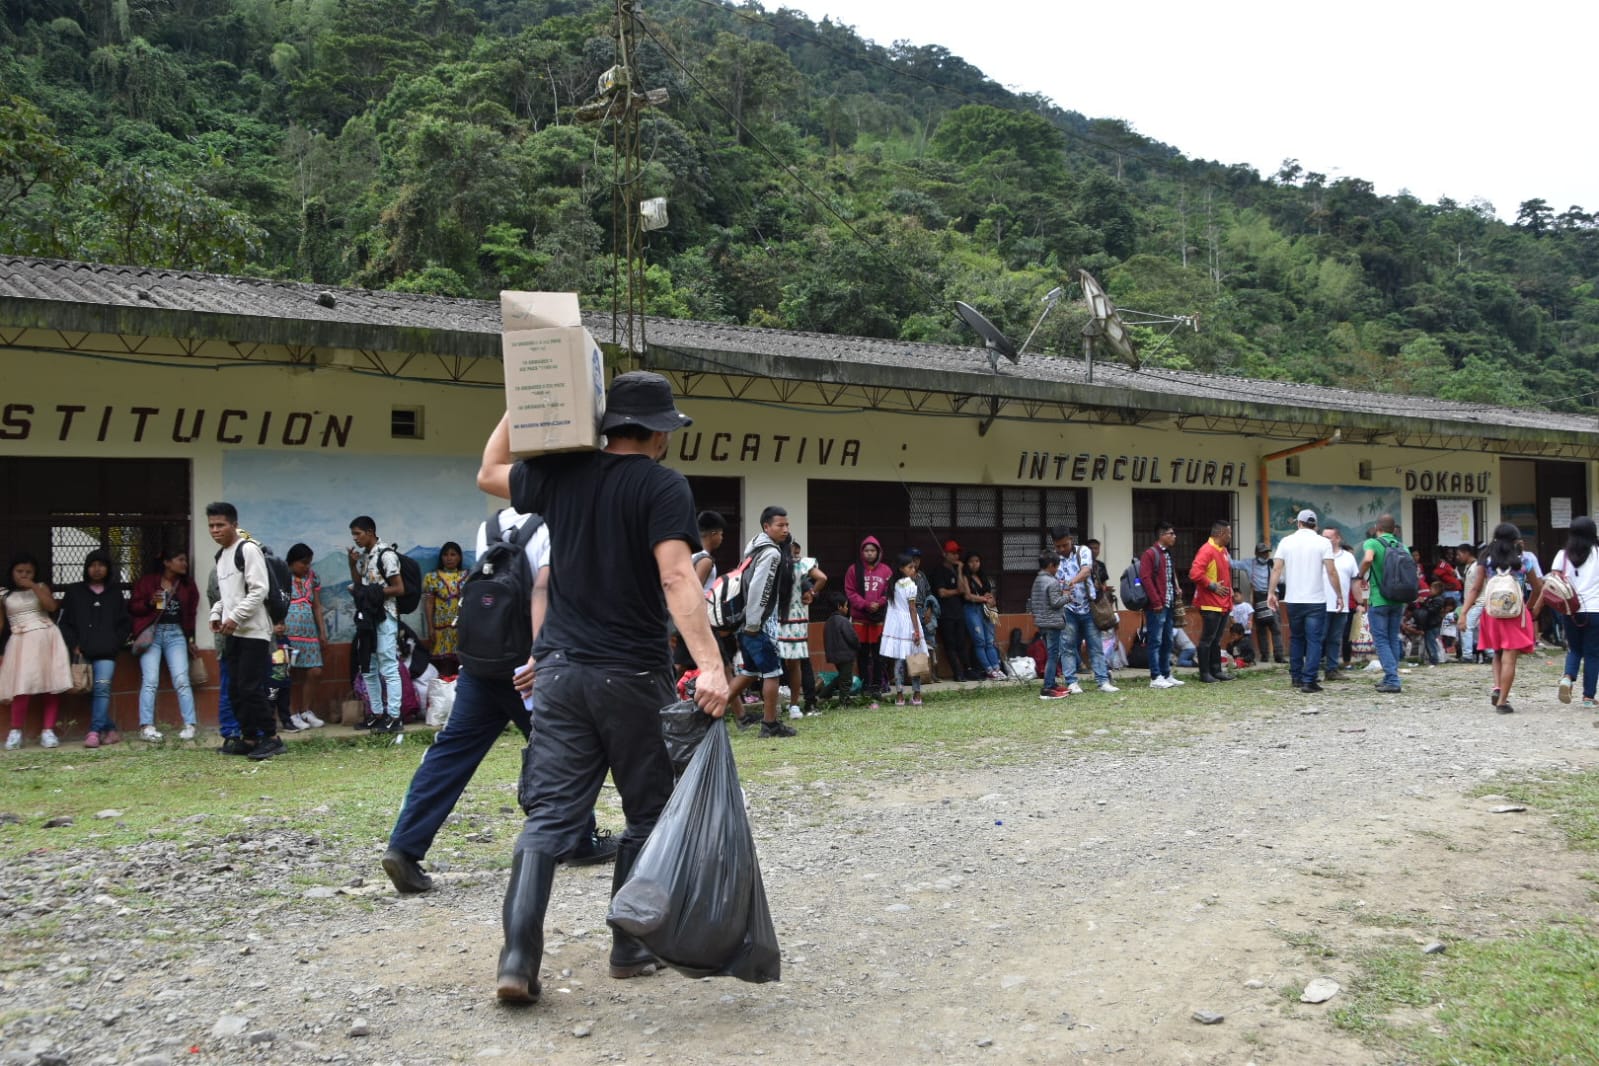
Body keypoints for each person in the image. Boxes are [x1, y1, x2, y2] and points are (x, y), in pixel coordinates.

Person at [474, 369, 730, 1005]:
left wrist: (527, 396)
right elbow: (677, 578)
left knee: (550, 817)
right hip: (632, 674)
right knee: (647, 810)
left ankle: (517, 959)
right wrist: (713, 664)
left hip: (558, 675)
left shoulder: (562, 474)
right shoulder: (662, 484)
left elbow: (490, 470)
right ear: (660, 433)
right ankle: (628, 943)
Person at [382, 506, 615, 897]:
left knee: (451, 752)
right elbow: (552, 592)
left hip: (480, 664)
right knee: (566, 747)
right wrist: (542, 655)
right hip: (528, 667)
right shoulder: (559, 522)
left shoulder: (490, 525)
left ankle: (404, 847)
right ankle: (579, 839)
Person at [208, 503, 283, 759]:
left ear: (234, 524)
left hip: (254, 632)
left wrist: (236, 617)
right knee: (236, 689)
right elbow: (226, 596)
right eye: (211, 526)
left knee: (251, 688)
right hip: (234, 633)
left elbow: (259, 590)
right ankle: (249, 738)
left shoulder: (247, 549)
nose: (215, 530)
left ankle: (272, 738)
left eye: (220, 525)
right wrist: (216, 614)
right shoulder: (221, 556)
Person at [726, 506, 798, 738]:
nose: (785, 529)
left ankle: (705, 712)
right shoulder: (772, 553)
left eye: (787, 525)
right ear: (766, 526)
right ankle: (770, 725)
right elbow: (760, 588)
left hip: (744, 621)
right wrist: (755, 624)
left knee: (749, 672)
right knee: (772, 672)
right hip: (758, 623)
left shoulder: (754, 548)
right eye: (780, 525)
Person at [1459, 522, 1543, 713]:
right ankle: (1502, 702)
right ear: (1516, 541)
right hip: (1515, 614)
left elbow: (1475, 588)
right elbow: (1537, 588)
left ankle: (1497, 687)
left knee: (1497, 652)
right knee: (1510, 658)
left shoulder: (1485, 560)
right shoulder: (1524, 562)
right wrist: (1528, 609)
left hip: (1492, 613)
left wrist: (1463, 613)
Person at [59, 549, 131, 748]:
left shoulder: (115, 593)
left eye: (101, 565)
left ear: (108, 569)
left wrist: (114, 641)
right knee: (92, 691)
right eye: (92, 565)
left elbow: (125, 623)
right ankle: (111, 730)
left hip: (107, 654)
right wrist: (74, 644)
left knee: (101, 687)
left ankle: (94, 731)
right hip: (82, 653)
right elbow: (64, 623)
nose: (97, 569)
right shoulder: (74, 592)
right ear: (86, 568)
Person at [2, 552, 72, 749]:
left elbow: (51, 606)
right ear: (12, 572)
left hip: (46, 638)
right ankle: (15, 731)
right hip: (20, 642)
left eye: (28, 572)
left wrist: (33, 586)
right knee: (21, 686)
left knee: (51, 684)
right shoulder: (4, 594)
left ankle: (48, 731)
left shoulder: (40, 587)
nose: (23, 575)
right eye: (19, 571)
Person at [129, 548, 201, 741]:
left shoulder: (187, 585)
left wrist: (191, 639)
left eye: (185, 560)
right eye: (180, 559)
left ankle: (190, 725)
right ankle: (147, 726)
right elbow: (134, 607)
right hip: (152, 633)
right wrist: (149, 602)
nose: (185, 564)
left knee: (181, 679)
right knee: (150, 680)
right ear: (167, 563)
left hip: (176, 634)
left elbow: (191, 614)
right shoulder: (149, 582)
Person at [1268, 509, 1340, 694]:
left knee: (1296, 638)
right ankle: (1309, 680)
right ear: (1315, 525)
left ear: (1298, 523)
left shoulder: (1286, 541)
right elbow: (1331, 571)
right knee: (1314, 641)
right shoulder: (1323, 542)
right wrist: (1339, 595)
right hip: (1316, 600)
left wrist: (1271, 593)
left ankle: (1296, 677)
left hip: (1293, 599)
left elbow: (1276, 570)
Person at [348, 516, 406, 735]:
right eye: (353, 535)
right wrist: (352, 564)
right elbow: (360, 583)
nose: (355, 539)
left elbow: (399, 588)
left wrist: (372, 593)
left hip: (386, 617)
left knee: (388, 664)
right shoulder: (365, 557)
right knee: (368, 667)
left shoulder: (386, 555)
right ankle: (377, 713)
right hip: (368, 619)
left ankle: (394, 716)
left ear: (370, 532)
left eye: (358, 534)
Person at [1053, 525, 1115, 693]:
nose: (1061, 549)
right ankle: (1072, 682)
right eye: (1057, 546)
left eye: (1064, 545)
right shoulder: (1054, 559)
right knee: (1067, 646)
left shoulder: (1083, 551)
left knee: (1095, 646)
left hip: (1088, 607)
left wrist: (1072, 582)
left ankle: (1103, 681)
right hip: (1067, 609)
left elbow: (1086, 571)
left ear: (1071, 540)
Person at [1547, 515, 1599, 710]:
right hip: (1595, 609)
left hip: (1570, 610)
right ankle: (1588, 697)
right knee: (1593, 654)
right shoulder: (1598, 554)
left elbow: (1553, 580)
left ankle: (1567, 678)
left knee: (1574, 649)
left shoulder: (1563, 555)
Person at [1358, 514, 1409, 694]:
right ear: (1394, 529)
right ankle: (1389, 676)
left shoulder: (1372, 543)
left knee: (1381, 641)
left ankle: (1393, 680)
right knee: (1392, 638)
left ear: (1377, 528)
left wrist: (1359, 574)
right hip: (1397, 599)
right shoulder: (1402, 546)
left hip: (1379, 599)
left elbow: (1368, 559)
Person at [777, 539, 826, 717]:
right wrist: (812, 593)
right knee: (798, 663)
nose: (796, 556)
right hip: (796, 619)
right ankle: (796, 706)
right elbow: (822, 578)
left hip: (775, 618)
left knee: (775, 664)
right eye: (794, 552)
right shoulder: (801, 566)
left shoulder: (772, 563)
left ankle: (775, 705)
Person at [283, 544, 327, 729]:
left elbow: (317, 606)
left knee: (315, 671)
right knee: (290, 673)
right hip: (289, 632)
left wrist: (322, 631)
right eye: (303, 563)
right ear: (292, 562)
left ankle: (306, 711)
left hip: (309, 632)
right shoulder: (283, 576)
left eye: (309, 563)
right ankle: (292, 714)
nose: (307, 567)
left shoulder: (312, 577)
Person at [844, 536, 893, 694]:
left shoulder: (886, 570)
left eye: (872, 550)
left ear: (878, 552)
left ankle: (877, 685)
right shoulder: (853, 569)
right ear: (862, 552)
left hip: (878, 619)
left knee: (879, 654)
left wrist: (879, 603)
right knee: (863, 654)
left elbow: (889, 592)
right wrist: (865, 604)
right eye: (866, 550)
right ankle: (865, 685)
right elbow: (850, 592)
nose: (869, 553)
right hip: (860, 619)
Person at [1189, 520, 1234, 684]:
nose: (1230, 536)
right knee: (1207, 639)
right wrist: (1212, 586)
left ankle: (1217, 670)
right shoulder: (1206, 550)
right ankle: (1205, 673)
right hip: (1210, 603)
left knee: (1216, 640)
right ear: (1221, 533)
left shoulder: (1223, 550)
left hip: (1223, 603)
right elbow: (1194, 573)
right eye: (1229, 533)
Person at [1138, 523, 1183, 689]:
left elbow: (1169, 575)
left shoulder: (1168, 554)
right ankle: (1155, 676)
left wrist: (1176, 587)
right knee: (1155, 641)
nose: (1174, 536)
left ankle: (1166, 673)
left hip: (1169, 602)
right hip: (1157, 605)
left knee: (1167, 641)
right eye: (1171, 534)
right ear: (1162, 535)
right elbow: (1146, 578)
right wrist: (1156, 601)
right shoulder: (1150, 554)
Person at [880, 551, 927, 707]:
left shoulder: (892, 584)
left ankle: (899, 696)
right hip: (909, 623)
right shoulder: (909, 585)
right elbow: (912, 610)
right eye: (910, 567)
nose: (913, 570)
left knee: (899, 660)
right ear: (901, 568)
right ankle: (917, 694)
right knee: (915, 658)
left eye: (914, 567)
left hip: (895, 626)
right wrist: (917, 630)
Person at [929, 540, 977, 681]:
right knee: (950, 644)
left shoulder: (957, 570)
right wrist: (956, 590)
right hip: (945, 614)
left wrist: (960, 570)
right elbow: (942, 592)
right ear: (945, 554)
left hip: (958, 612)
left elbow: (963, 590)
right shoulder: (938, 571)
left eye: (957, 553)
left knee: (961, 643)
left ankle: (967, 670)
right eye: (952, 553)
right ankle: (957, 672)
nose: (956, 556)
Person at [1320, 529, 1360, 681]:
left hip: (1340, 606)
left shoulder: (1348, 557)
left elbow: (1355, 581)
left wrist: (1360, 602)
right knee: (1319, 638)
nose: (1324, 540)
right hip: (1321, 604)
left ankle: (1332, 669)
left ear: (1337, 539)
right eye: (1322, 537)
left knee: (1335, 639)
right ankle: (1312, 670)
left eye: (1328, 537)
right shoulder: (1318, 555)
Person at [422, 541, 466, 673]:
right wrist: (430, 628)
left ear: (459, 557)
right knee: (443, 667)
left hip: (461, 629)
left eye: (453, 554)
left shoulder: (467, 577)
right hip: (440, 629)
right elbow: (429, 604)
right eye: (446, 555)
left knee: (461, 665)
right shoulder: (432, 577)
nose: (449, 558)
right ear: (441, 557)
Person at [959, 550, 1004, 680]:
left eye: (977, 561)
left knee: (990, 640)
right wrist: (984, 599)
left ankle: (997, 668)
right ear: (967, 563)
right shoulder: (965, 577)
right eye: (971, 561)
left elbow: (989, 594)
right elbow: (968, 595)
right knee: (980, 641)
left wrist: (991, 601)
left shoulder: (983, 576)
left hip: (987, 609)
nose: (975, 564)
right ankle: (989, 670)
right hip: (972, 610)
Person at [1029, 552, 1068, 700]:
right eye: (1057, 566)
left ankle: (1051, 684)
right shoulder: (1052, 582)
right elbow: (1055, 602)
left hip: (1042, 623)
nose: (1057, 569)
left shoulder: (1037, 580)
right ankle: (1047, 687)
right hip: (1052, 623)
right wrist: (1067, 597)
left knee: (1051, 654)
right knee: (1053, 656)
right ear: (1051, 565)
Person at [818, 591, 860, 703]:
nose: (847, 609)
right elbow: (852, 637)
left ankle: (825, 693)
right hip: (846, 655)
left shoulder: (828, 622)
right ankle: (844, 700)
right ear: (839, 606)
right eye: (846, 606)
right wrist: (857, 646)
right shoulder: (843, 621)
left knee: (842, 676)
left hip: (834, 655)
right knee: (846, 680)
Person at [1248, 542, 1286, 663]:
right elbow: (1233, 563)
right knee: (1266, 628)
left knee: (1272, 629)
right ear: (1257, 553)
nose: (1265, 555)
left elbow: (1281, 579)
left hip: (1266, 598)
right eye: (1263, 552)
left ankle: (1273, 655)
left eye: (1266, 552)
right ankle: (1270, 655)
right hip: (1265, 598)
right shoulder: (1253, 564)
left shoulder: (1270, 564)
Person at [1454, 542, 1482, 662]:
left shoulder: (1476, 567)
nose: (1457, 557)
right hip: (1472, 603)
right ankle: (1489, 653)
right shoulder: (1468, 567)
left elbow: (1477, 587)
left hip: (1477, 603)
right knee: (1480, 629)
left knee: (1465, 627)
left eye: (1459, 554)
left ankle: (1467, 655)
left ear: (1466, 553)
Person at [1227, 587, 1257, 665]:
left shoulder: (1246, 605)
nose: (1235, 598)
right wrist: (1236, 626)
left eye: (1236, 596)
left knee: (1246, 645)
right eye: (1233, 597)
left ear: (1241, 595)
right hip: (1237, 630)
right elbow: (1231, 617)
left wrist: (1250, 622)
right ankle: (1238, 659)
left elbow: (1250, 614)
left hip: (1246, 630)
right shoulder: (1232, 607)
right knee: (1237, 646)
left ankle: (1247, 659)